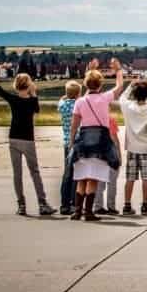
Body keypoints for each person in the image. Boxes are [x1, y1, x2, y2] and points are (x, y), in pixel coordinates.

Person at [0, 63, 56, 217]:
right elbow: (37, 110)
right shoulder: (32, 101)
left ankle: (21, 204)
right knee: (34, 171)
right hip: (28, 139)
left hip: (14, 138)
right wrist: (34, 93)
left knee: (17, 173)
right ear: (29, 85)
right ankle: (42, 203)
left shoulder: (13, 99)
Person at [69, 58, 124, 221]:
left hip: (84, 141)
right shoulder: (105, 98)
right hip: (99, 142)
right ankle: (88, 211)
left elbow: (74, 124)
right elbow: (120, 87)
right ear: (100, 84)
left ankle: (77, 210)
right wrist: (118, 70)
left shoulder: (80, 101)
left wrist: (72, 141)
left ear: (86, 84)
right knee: (93, 177)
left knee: (82, 177)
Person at [119, 80, 147, 216]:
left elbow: (122, 98)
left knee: (130, 178)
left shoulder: (128, 107)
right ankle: (145, 205)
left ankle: (127, 205)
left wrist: (130, 85)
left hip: (131, 147)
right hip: (146, 147)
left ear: (134, 94)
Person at [58, 80, 81, 215]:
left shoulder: (62, 105)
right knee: (76, 174)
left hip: (67, 142)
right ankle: (73, 202)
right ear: (78, 94)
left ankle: (64, 204)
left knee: (67, 173)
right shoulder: (78, 105)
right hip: (77, 141)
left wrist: (66, 95)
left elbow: (61, 99)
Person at [93, 115, 121, 215]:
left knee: (99, 184)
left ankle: (98, 206)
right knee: (111, 183)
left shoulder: (93, 119)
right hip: (110, 155)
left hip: (97, 155)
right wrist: (119, 156)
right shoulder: (110, 119)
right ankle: (111, 207)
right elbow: (115, 140)